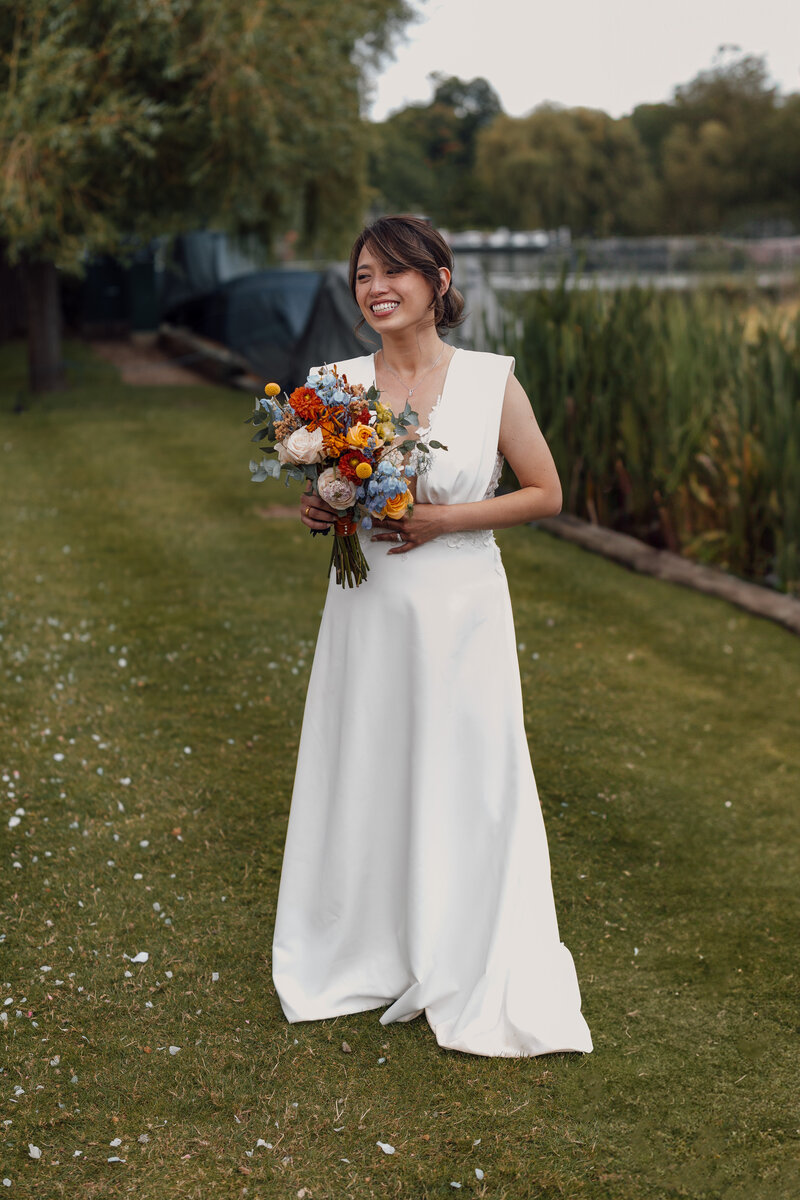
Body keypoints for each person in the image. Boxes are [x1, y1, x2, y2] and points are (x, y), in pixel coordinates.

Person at [271, 215, 593, 1057]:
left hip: (460, 609)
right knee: (368, 759)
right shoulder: (333, 384)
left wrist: (446, 518)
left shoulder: (490, 382)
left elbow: (547, 493)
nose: (375, 288)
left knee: (467, 767)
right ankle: (365, 943)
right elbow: (331, 484)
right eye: (363, 275)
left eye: (394, 273)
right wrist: (323, 507)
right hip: (369, 607)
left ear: (438, 280)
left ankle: (465, 946)